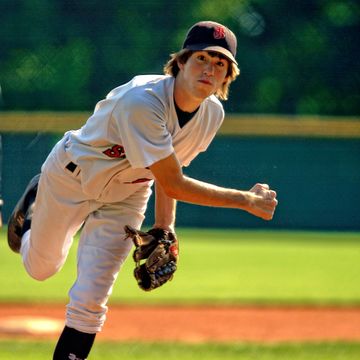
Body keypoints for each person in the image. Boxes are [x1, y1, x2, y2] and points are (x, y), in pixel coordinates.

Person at [7, 21, 278, 359]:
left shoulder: (211, 115)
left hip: (129, 193)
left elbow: (173, 168)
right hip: (71, 178)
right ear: (180, 62)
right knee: (41, 268)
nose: (210, 69)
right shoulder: (143, 102)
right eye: (202, 58)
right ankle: (31, 213)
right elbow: (173, 182)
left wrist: (166, 228)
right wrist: (246, 200)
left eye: (220, 63)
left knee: (91, 299)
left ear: (227, 77)